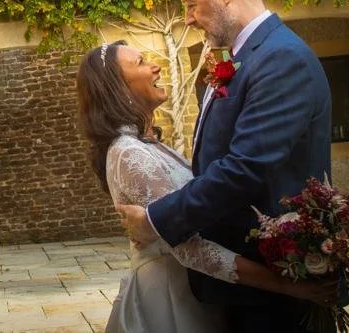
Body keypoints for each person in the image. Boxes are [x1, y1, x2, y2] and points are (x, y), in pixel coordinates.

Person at [114, 0, 335, 333]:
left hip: (277, 289)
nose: (187, 19)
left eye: (191, 4)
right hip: (246, 289)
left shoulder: (280, 58)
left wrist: (157, 219)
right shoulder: (244, 57)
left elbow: (244, 168)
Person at [78, 39, 332, 333]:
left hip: (194, 290)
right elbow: (190, 249)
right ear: (117, 89)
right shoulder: (128, 152)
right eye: (141, 62)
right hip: (170, 301)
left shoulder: (151, 145)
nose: (156, 66)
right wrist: (285, 285)